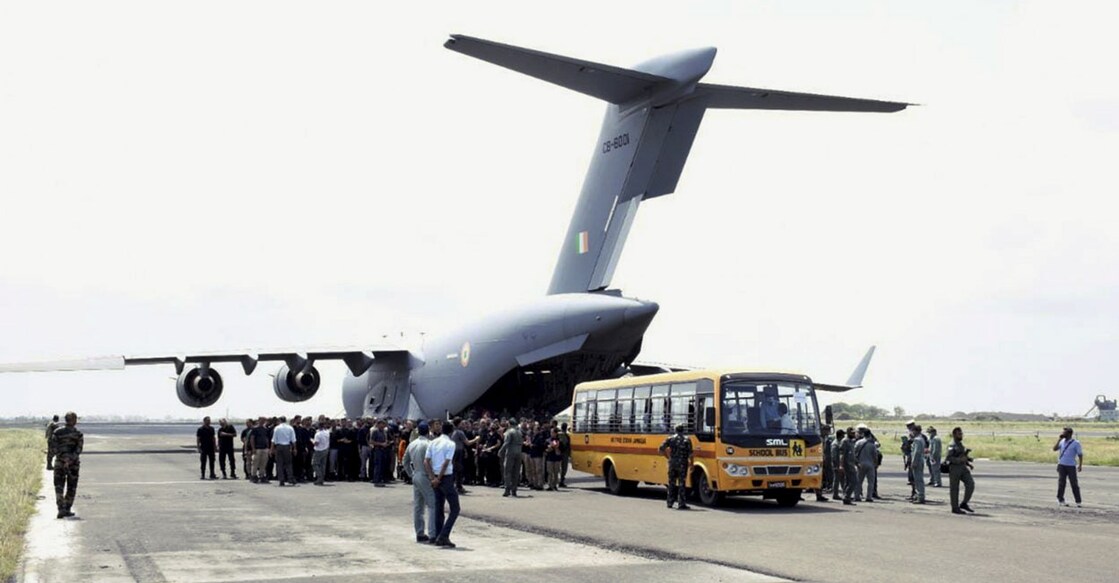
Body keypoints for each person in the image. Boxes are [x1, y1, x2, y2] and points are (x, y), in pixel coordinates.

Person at [425, 421, 460, 548]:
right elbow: (446, 463)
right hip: (445, 477)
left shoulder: (433, 442)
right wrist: (438, 478)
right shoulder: (451, 444)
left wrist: (432, 478)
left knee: (439, 507)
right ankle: (444, 535)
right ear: (451, 432)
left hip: (435, 475)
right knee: (455, 508)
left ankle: (438, 535)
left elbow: (426, 461)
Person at [403, 421, 436, 542]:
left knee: (418, 506)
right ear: (428, 431)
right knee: (432, 504)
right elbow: (432, 462)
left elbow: (405, 461)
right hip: (425, 475)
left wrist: (411, 474)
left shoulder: (412, 444)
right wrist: (433, 477)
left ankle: (420, 532)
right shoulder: (429, 444)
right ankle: (433, 533)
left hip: (416, 474)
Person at [50, 411, 83, 519]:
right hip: (73, 464)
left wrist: (63, 458)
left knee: (59, 486)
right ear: (74, 420)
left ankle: (61, 509)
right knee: (71, 487)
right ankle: (67, 508)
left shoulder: (57, 432)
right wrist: (70, 459)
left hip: (60, 463)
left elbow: (53, 447)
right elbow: (78, 450)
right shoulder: (78, 434)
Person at [658, 424, 694, 510]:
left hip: (672, 464)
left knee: (671, 483)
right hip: (682, 464)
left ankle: (670, 502)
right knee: (682, 484)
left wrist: (668, 457)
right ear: (683, 430)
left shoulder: (670, 439)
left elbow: (660, 450)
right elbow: (690, 454)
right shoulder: (687, 439)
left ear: (675, 430)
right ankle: (681, 504)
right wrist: (692, 464)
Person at [946, 426, 975, 514]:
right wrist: (959, 460)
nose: (961, 435)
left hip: (963, 468)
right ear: (954, 435)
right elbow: (949, 458)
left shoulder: (960, 444)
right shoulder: (951, 445)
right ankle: (955, 508)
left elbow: (962, 455)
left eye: (961, 433)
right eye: (959, 434)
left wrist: (968, 461)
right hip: (954, 468)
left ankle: (964, 503)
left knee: (970, 484)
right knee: (954, 489)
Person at [1053, 426, 1083, 507]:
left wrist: (1080, 465)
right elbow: (1054, 449)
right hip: (1062, 465)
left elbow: (1080, 454)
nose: (1062, 434)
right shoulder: (1062, 441)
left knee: (1074, 483)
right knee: (1061, 483)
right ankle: (1060, 499)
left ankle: (1078, 501)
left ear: (1069, 434)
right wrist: (1059, 440)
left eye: (1064, 433)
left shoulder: (1076, 443)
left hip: (1071, 466)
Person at [499, 419, 523, 497]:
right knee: (516, 472)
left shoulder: (509, 432)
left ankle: (507, 489)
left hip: (511, 451)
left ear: (509, 424)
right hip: (519, 451)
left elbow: (507, 442)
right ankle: (514, 490)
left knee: (507, 471)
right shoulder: (519, 432)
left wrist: (501, 450)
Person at [854, 425, 877, 503]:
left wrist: (856, 462)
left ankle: (857, 496)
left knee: (859, 481)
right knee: (871, 482)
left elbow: (855, 453)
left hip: (860, 463)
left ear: (863, 434)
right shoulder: (872, 444)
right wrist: (875, 464)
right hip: (870, 464)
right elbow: (875, 455)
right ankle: (869, 497)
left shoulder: (858, 442)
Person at [249, 416, 271, 483]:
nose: (263, 421)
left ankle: (262, 476)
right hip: (257, 448)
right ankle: (253, 476)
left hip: (264, 448)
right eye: (262, 420)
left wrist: (268, 448)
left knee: (263, 463)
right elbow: (252, 438)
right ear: (258, 420)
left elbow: (267, 439)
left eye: (264, 420)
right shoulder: (255, 429)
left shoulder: (265, 429)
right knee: (255, 463)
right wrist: (253, 448)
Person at [840, 427, 858, 505]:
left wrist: (857, 463)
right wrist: (841, 465)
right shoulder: (845, 441)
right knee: (854, 481)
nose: (854, 434)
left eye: (854, 433)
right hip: (847, 464)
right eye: (852, 433)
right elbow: (842, 454)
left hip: (851, 463)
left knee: (847, 482)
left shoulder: (852, 442)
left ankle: (845, 497)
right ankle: (847, 496)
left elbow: (853, 454)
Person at [909, 425, 927, 503]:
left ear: (916, 431)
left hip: (918, 461)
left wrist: (914, 462)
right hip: (920, 460)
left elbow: (916, 452)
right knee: (918, 479)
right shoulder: (921, 439)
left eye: (913, 431)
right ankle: (918, 496)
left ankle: (920, 496)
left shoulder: (917, 440)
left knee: (918, 479)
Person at [369, 419, 390, 487]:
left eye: (384, 424)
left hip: (383, 450)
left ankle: (380, 479)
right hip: (377, 450)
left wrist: (386, 443)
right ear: (378, 424)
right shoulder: (375, 431)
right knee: (377, 466)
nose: (383, 425)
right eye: (382, 424)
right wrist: (381, 444)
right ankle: (376, 480)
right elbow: (371, 441)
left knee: (382, 466)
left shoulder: (384, 431)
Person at [311, 421, 331, 485]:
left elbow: (316, 443)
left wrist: (312, 440)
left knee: (314, 464)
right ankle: (322, 479)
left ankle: (320, 477)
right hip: (326, 449)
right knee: (323, 465)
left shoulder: (318, 434)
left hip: (319, 450)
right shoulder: (327, 432)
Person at [558, 422, 572, 487]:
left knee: (558, 468)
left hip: (558, 453)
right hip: (564, 453)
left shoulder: (558, 434)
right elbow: (568, 445)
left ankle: (557, 481)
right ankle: (561, 480)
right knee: (564, 468)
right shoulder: (567, 435)